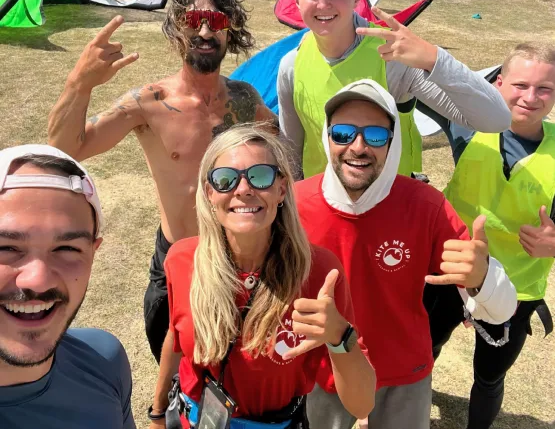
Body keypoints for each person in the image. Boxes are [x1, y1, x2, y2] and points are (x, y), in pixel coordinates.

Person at [47, 0, 277, 363]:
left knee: (238, 368)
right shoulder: (149, 103)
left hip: (236, 259)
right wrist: (79, 83)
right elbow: (68, 146)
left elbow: (284, 161)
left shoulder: (245, 99)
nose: (205, 32)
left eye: (216, 20)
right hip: (177, 260)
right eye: (193, 20)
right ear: (176, 27)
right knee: (173, 368)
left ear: (230, 28)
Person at [293, 80, 518, 429]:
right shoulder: (293, 205)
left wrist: (483, 278)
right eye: (343, 133)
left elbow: (503, 308)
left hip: (404, 370)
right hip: (325, 368)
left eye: (376, 136)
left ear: (394, 141)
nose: (358, 146)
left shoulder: (425, 206)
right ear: (326, 136)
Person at [148, 125, 375, 428]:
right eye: (226, 179)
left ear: (282, 188)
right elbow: (176, 339)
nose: (243, 189)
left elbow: (362, 403)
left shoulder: (318, 271)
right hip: (192, 419)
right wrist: (158, 413)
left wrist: (339, 336)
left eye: (260, 176)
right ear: (209, 193)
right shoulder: (182, 259)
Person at [277, 0, 511, 179]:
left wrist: (434, 58)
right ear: (297, 0)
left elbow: (496, 119)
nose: (323, 5)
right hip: (323, 211)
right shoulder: (292, 65)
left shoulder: (391, 59)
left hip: (388, 208)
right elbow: (292, 152)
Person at [426, 42, 555, 429]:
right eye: (519, 85)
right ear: (497, 84)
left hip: (515, 290)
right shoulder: (467, 124)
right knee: (425, 349)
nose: (530, 98)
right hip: (448, 272)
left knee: (489, 376)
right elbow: (416, 84)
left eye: (544, 88)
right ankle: (411, 398)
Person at [0, 144, 134, 429]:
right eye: (6, 247)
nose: (38, 279)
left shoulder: (103, 360)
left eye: (67, 248)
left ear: (93, 253)